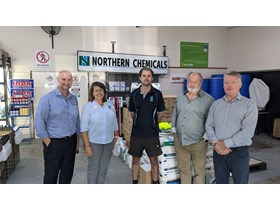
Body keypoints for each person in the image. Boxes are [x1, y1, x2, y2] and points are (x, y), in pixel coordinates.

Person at [205, 71, 258, 184]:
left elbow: (247, 132)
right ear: (223, 85)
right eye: (226, 82)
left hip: (239, 154)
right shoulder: (216, 104)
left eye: (233, 82)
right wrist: (216, 143)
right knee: (220, 183)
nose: (229, 85)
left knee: (240, 183)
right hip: (218, 153)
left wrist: (224, 144)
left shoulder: (249, 105)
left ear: (240, 84)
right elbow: (209, 125)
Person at [35, 70, 80, 184]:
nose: (66, 82)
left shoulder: (73, 99)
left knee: (67, 174)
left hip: (71, 142)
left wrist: (77, 142)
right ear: (58, 80)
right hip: (54, 143)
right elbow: (39, 121)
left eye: (69, 80)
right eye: (63, 79)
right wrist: (47, 141)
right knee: (51, 175)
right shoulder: (47, 98)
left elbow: (77, 120)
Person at [171, 72, 214, 184]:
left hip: (198, 143)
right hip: (180, 141)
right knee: (184, 170)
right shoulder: (180, 97)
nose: (192, 84)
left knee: (199, 172)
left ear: (200, 83)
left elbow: (211, 120)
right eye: (190, 81)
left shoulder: (208, 99)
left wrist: (205, 137)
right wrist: (174, 130)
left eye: (195, 82)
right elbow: (175, 113)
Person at [128, 67, 165, 184]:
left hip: (152, 135)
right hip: (137, 134)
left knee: (154, 161)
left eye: (149, 76)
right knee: (135, 160)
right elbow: (132, 113)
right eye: (144, 76)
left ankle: (155, 184)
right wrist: (140, 123)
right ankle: (135, 183)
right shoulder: (134, 94)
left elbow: (161, 113)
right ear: (140, 77)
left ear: (152, 78)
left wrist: (152, 124)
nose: (146, 78)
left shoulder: (157, 94)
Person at [80, 82, 119, 184]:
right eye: (96, 90)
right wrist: (87, 146)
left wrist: (115, 137)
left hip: (108, 142)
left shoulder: (109, 105)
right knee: (94, 168)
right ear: (92, 93)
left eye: (101, 90)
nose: (99, 92)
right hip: (94, 143)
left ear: (104, 91)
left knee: (104, 167)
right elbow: (83, 128)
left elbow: (114, 122)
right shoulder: (88, 106)